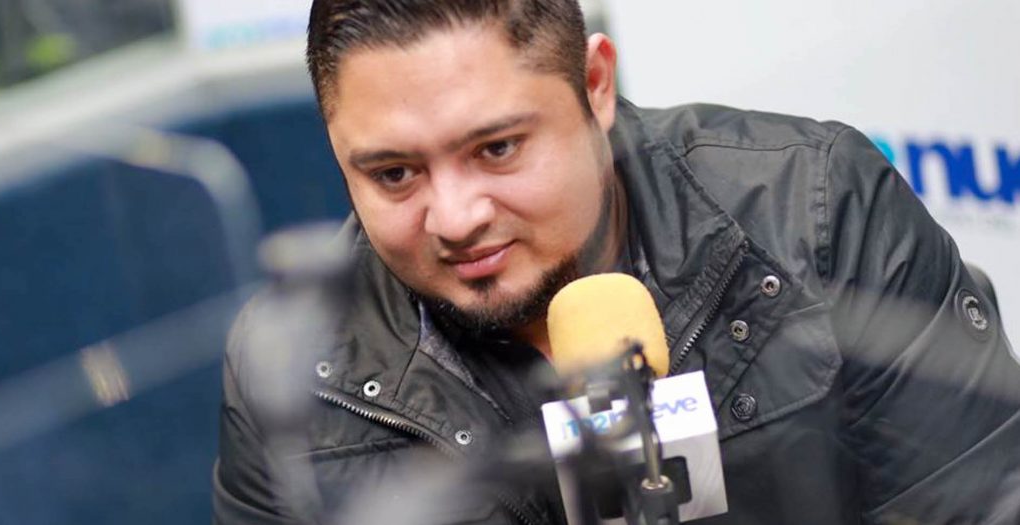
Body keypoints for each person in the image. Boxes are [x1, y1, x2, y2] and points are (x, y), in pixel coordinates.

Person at [212, 1, 1020, 524]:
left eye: (497, 148)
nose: (454, 218)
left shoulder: (813, 211)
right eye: (394, 174)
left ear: (595, 85)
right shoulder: (293, 362)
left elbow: (979, 502)